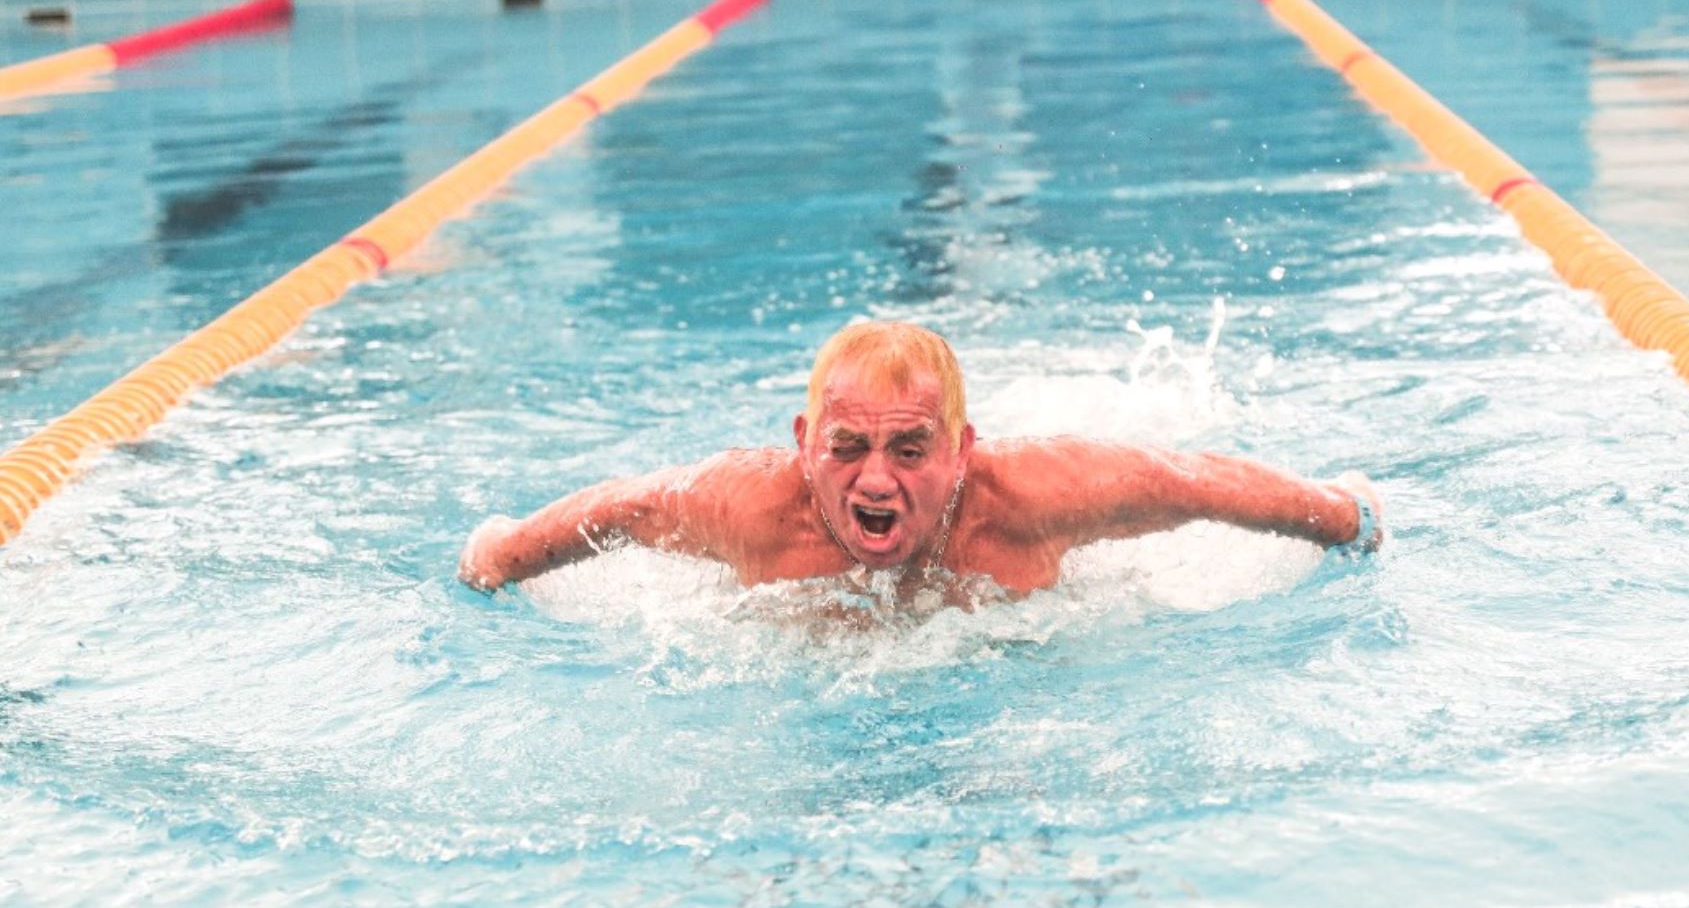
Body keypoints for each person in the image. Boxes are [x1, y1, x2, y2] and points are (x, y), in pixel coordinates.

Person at [459, 321, 1381, 599]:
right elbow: (619, 509)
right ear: (802, 447)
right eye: (847, 447)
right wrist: (497, 557)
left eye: (909, 448)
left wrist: (1343, 514)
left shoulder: (1031, 495)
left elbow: (1187, 482)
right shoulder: (749, 508)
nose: (873, 479)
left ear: (960, 453)